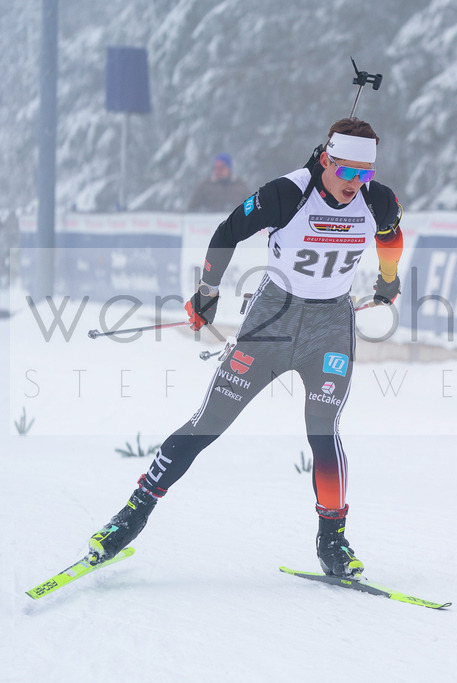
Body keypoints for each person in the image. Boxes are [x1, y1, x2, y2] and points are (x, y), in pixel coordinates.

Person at [89, 117, 404, 579]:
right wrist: (207, 291)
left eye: (365, 173)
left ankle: (333, 542)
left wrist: (389, 279)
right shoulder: (287, 193)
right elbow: (227, 232)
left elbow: (390, 233)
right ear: (325, 159)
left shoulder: (377, 199)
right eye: (346, 171)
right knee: (208, 423)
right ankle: (130, 516)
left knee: (324, 430)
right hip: (272, 322)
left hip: (330, 328)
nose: (354, 183)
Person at [187, 152, 251, 212]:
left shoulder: (240, 185)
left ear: (229, 168)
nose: (218, 171)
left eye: (221, 168)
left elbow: (250, 209)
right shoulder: (204, 186)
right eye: (216, 167)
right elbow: (192, 209)